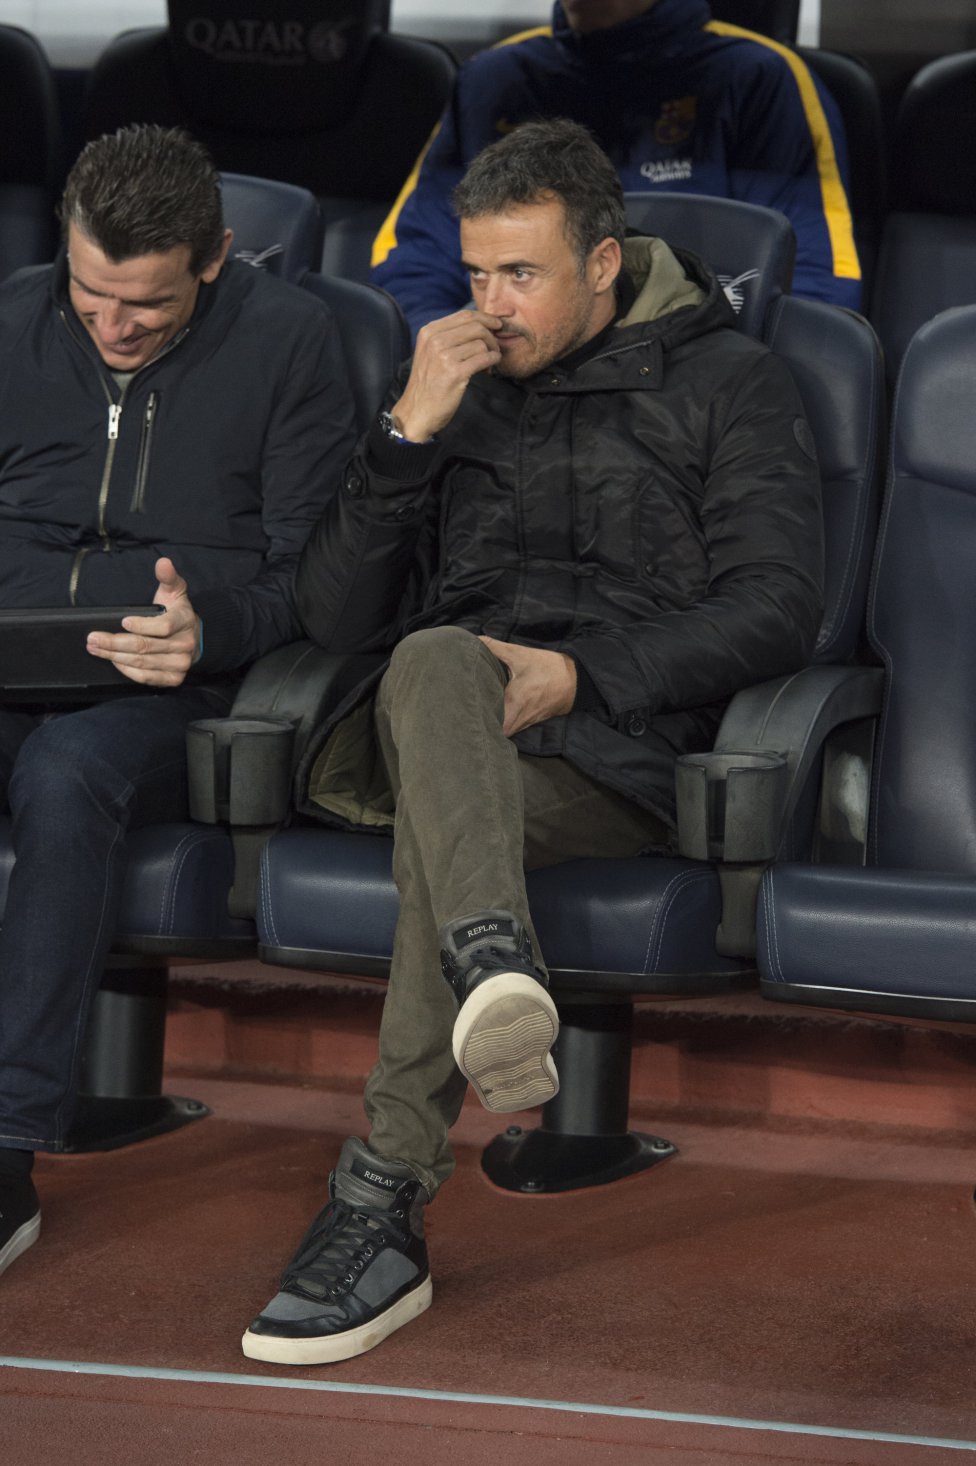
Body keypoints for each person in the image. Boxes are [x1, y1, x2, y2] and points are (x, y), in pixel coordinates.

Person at [242, 117, 824, 1366]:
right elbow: (331, 617)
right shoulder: (451, 388)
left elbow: (779, 605)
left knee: (448, 851)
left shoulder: (732, 381)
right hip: (434, 731)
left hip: (620, 754)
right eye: (475, 274)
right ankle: (492, 966)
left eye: (521, 273)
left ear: (603, 263)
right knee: (432, 654)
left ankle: (381, 1201)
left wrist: (581, 675)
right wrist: (406, 434)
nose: (490, 306)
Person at [0, 124, 356, 1279]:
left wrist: (212, 628)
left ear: (215, 258)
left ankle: (6, 1141)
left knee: (66, 773)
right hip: (9, 654)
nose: (112, 325)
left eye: (146, 304)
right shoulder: (11, 318)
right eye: (91, 293)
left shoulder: (292, 340)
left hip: (175, 682)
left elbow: (314, 581)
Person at [371, 0, 861, 334]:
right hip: (508, 379)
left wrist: (711, 382)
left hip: (683, 391)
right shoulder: (491, 79)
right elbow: (414, 258)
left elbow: (812, 282)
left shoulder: (759, 77)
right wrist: (458, 356)